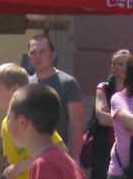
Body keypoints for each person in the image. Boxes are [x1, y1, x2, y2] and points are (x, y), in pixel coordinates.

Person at [26, 32, 87, 163]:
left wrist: (75, 158)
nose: (37, 56)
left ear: (52, 55)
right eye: (33, 52)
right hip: (29, 156)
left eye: (42, 52)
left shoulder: (67, 83)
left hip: (57, 155)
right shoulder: (26, 84)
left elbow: (77, 123)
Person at [86, 49, 128, 179]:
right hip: (105, 152)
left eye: (128, 64)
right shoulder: (104, 88)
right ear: (113, 67)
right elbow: (101, 117)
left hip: (127, 152)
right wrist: (131, 120)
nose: (125, 67)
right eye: (120, 64)